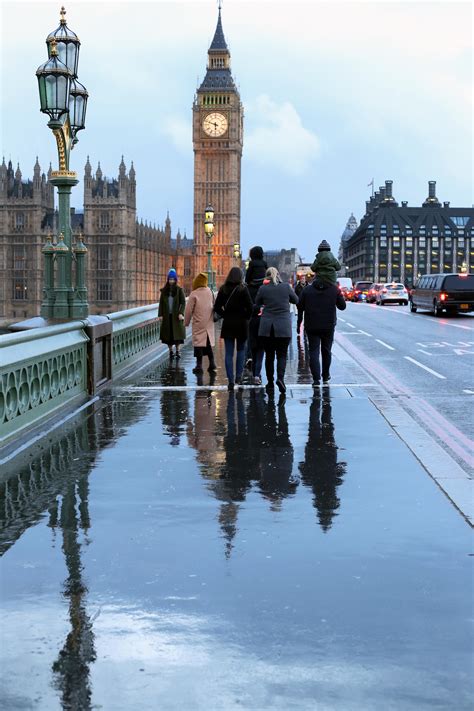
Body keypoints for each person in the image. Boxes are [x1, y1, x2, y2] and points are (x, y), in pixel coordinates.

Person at [255, 267, 298, 394]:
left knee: (269, 356)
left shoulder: (263, 289)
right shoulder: (285, 287)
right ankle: (280, 378)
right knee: (282, 355)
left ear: (266, 276)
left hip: (267, 327)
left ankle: (269, 382)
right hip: (283, 327)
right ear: (278, 275)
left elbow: (257, 303)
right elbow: (296, 300)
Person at [298, 274, 346, 386]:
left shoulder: (307, 290)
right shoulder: (334, 289)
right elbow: (342, 306)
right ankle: (325, 375)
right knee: (326, 351)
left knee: (313, 351)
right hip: (328, 325)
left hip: (312, 324)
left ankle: (315, 379)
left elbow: (300, 306)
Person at [214, 267, 253, 391]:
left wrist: (225, 315)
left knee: (229, 353)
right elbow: (250, 307)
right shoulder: (243, 289)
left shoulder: (223, 289)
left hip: (228, 324)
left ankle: (230, 381)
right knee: (241, 351)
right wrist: (245, 317)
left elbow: (217, 307)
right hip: (241, 324)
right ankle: (239, 377)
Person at [184, 272, 217, 375]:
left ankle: (199, 366)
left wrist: (186, 322)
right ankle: (212, 363)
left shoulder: (194, 293)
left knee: (198, 344)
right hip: (208, 323)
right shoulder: (210, 291)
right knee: (207, 344)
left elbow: (188, 310)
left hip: (198, 323)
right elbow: (214, 305)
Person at [245, 246, 268, 373]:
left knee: (250, 331)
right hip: (262, 300)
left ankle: (249, 356)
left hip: (252, 295)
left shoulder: (252, 265)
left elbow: (247, 279)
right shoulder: (265, 265)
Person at [158, 268, 186, 359]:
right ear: (168, 279)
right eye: (170, 279)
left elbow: (183, 302)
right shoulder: (164, 291)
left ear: (176, 280)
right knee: (168, 337)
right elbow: (161, 303)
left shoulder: (179, 290)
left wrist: (181, 313)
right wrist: (160, 315)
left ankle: (178, 351)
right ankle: (170, 351)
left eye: (173, 279)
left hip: (176, 317)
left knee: (177, 337)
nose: (171, 281)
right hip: (167, 317)